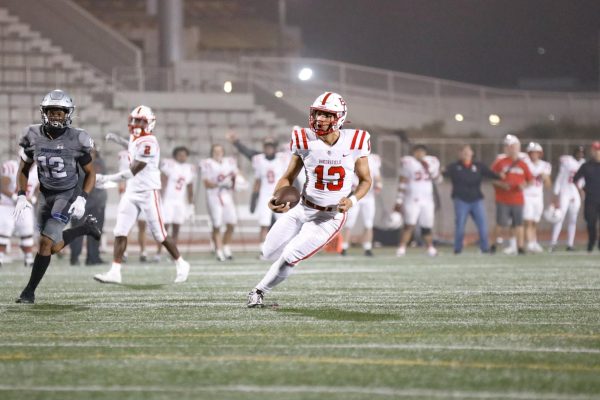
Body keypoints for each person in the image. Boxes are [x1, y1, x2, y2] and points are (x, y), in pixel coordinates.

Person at [247, 92, 372, 308]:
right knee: (267, 252)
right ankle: (263, 283)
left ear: (340, 118)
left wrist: (352, 200)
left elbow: (366, 181)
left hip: (330, 216)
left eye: (326, 115)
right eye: (317, 114)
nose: (319, 119)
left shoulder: (356, 141)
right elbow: (288, 176)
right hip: (302, 207)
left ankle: (258, 292)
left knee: (290, 255)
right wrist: (276, 198)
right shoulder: (303, 138)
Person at [14, 89, 101, 303]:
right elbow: (24, 168)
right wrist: (21, 195)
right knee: (50, 247)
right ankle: (84, 229)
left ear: (68, 114)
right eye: (51, 111)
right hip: (46, 195)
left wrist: (82, 197)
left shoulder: (77, 138)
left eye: (60, 112)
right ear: (44, 112)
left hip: (67, 194)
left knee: (44, 243)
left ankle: (28, 292)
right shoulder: (32, 135)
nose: (55, 116)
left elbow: (91, 172)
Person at [93, 105, 190, 284]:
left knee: (159, 234)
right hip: (131, 191)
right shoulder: (137, 138)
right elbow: (132, 146)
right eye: (135, 120)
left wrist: (106, 179)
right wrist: (119, 140)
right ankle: (115, 271)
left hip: (147, 192)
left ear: (150, 123)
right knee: (120, 231)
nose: (136, 123)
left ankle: (181, 263)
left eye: (141, 121)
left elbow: (132, 171)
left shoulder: (149, 142)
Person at [444, 144, 500, 254]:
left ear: (472, 153)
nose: (466, 154)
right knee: (460, 225)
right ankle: (457, 248)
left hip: (476, 200)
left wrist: (502, 176)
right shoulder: (454, 166)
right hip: (461, 200)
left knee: (482, 225)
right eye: (463, 151)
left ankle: (485, 247)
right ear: (459, 154)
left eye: (467, 151)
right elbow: (442, 174)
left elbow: (491, 174)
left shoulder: (478, 166)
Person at [107, 134, 153, 262]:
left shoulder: (147, 152)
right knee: (126, 224)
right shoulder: (124, 154)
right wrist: (122, 187)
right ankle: (124, 252)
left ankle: (143, 251)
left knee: (142, 224)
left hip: (143, 190)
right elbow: (123, 172)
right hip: (130, 191)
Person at [394, 144, 441, 256]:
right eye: (417, 151)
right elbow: (402, 181)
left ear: (425, 153)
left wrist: (433, 171)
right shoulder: (408, 163)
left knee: (427, 226)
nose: (420, 154)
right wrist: (399, 200)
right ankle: (402, 248)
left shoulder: (432, 162)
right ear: (413, 152)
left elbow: (438, 179)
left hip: (427, 200)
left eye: (422, 152)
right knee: (409, 225)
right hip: (412, 199)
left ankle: (430, 248)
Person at [490, 134, 533, 255]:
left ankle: (520, 247)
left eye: (514, 146)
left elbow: (530, 180)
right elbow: (491, 177)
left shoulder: (522, 163)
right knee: (500, 223)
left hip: (518, 198)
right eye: (509, 147)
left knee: (518, 224)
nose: (512, 149)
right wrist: (501, 184)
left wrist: (524, 185)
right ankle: (493, 245)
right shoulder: (500, 162)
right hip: (503, 198)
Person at [154, 146, 196, 261]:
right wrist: (159, 199)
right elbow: (162, 181)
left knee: (176, 228)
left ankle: (173, 253)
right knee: (164, 229)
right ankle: (158, 252)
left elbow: (190, 187)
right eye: (180, 154)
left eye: (184, 154)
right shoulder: (170, 165)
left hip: (180, 202)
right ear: (175, 156)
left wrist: (191, 205)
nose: (182, 157)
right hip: (168, 200)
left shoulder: (189, 168)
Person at [199, 144, 239, 261]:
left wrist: (238, 183)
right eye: (215, 151)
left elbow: (236, 175)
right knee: (217, 224)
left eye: (220, 151)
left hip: (226, 196)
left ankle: (226, 246)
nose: (218, 153)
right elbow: (206, 184)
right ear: (212, 152)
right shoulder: (208, 163)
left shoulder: (229, 162)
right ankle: (219, 250)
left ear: (223, 152)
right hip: (214, 196)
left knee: (232, 222)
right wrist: (220, 184)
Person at [69, 148, 108, 265]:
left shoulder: (99, 163)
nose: (90, 154)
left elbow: (103, 180)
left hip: (97, 202)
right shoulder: (76, 163)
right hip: (80, 201)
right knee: (77, 231)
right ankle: (75, 257)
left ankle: (93, 257)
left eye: (92, 151)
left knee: (95, 230)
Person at [341, 153, 382, 256]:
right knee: (349, 222)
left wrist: (379, 186)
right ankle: (344, 247)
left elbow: (377, 176)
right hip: (354, 196)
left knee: (368, 223)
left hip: (368, 197)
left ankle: (367, 248)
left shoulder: (373, 158)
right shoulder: (348, 155)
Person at [0, 159, 39, 267]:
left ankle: (28, 259)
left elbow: (40, 187)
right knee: (4, 230)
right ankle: (0, 257)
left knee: (27, 230)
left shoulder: (38, 170)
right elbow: (2, 186)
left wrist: (34, 198)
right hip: (7, 205)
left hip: (24, 206)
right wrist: (14, 197)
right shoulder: (11, 166)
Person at [251, 140, 288, 247]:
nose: (269, 149)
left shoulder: (282, 158)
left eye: (271, 147)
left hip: (279, 194)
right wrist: (254, 197)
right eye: (267, 147)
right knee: (264, 224)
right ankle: (263, 249)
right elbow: (257, 180)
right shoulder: (259, 160)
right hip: (265, 194)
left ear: (275, 148)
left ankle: (283, 247)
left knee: (283, 223)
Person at [549, 146, 585, 251]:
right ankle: (553, 243)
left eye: (582, 153)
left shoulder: (583, 163)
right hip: (565, 192)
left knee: (573, 220)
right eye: (578, 152)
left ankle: (570, 244)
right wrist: (556, 193)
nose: (580, 154)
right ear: (574, 153)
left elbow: (582, 180)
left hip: (575, 193)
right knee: (559, 218)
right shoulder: (568, 161)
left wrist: (582, 190)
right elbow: (560, 177)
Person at [523, 142, 552, 253]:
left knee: (535, 221)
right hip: (527, 195)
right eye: (532, 153)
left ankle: (534, 242)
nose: (534, 155)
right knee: (528, 221)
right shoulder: (524, 164)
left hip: (538, 196)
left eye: (536, 153)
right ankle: (530, 243)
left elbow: (548, 185)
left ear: (540, 154)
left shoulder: (545, 165)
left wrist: (545, 178)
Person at [573, 141, 600, 252]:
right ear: (592, 151)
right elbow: (575, 179)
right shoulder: (586, 166)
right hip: (591, 199)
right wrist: (581, 191)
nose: (597, 152)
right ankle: (591, 241)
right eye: (595, 150)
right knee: (591, 222)